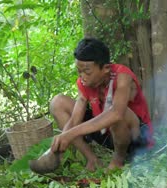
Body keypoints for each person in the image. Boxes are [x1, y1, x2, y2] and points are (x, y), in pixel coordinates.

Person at [32, 38, 154, 173]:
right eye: (79, 71)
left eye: (87, 72)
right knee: (58, 102)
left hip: (136, 138)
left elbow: (116, 114)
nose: (82, 76)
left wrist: (70, 134)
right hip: (107, 135)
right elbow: (74, 119)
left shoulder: (122, 76)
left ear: (106, 68)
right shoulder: (84, 84)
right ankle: (92, 159)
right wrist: (61, 140)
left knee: (118, 113)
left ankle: (118, 161)